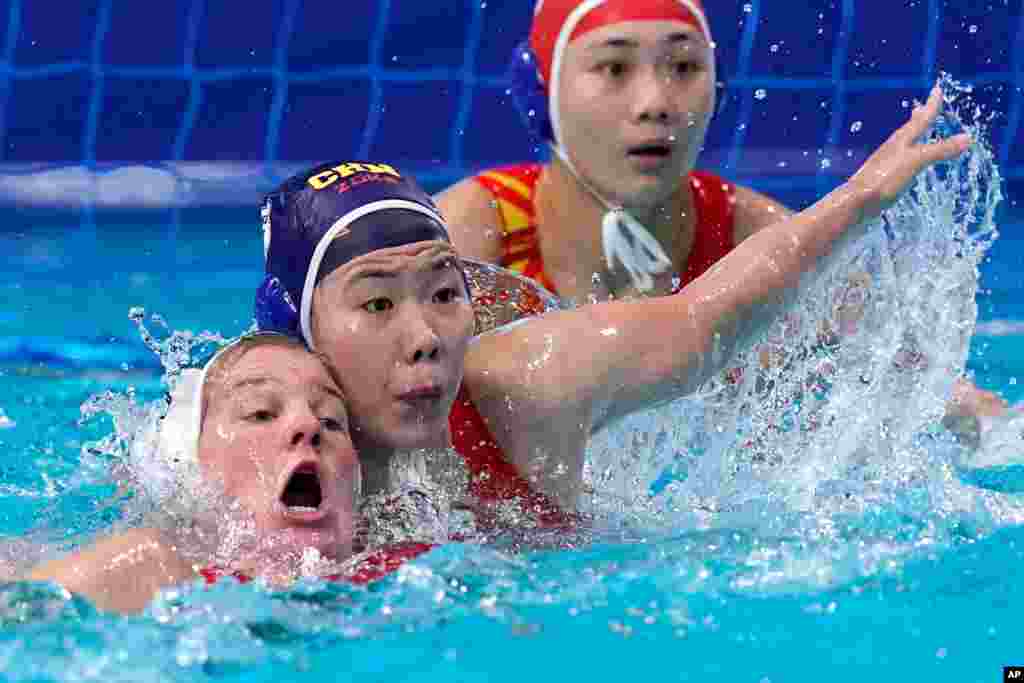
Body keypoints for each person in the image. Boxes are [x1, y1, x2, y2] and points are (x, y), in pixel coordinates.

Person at [254, 84, 970, 524]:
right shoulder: (234, 447)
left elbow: (702, 322)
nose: (425, 337)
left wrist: (860, 198)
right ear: (298, 330)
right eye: (377, 305)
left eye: (445, 293)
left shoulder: (526, 388)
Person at [434, 0, 1005, 424]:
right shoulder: (465, 238)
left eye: (683, 68)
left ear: (719, 89)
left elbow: (923, 389)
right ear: (540, 92)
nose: (655, 103)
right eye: (614, 69)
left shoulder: (756, 236)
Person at [25, 333, 421, 613]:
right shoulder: (146, 575)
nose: (308, 425)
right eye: (261, 413)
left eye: (332, 421)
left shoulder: (413, 575)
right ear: (189, 468)